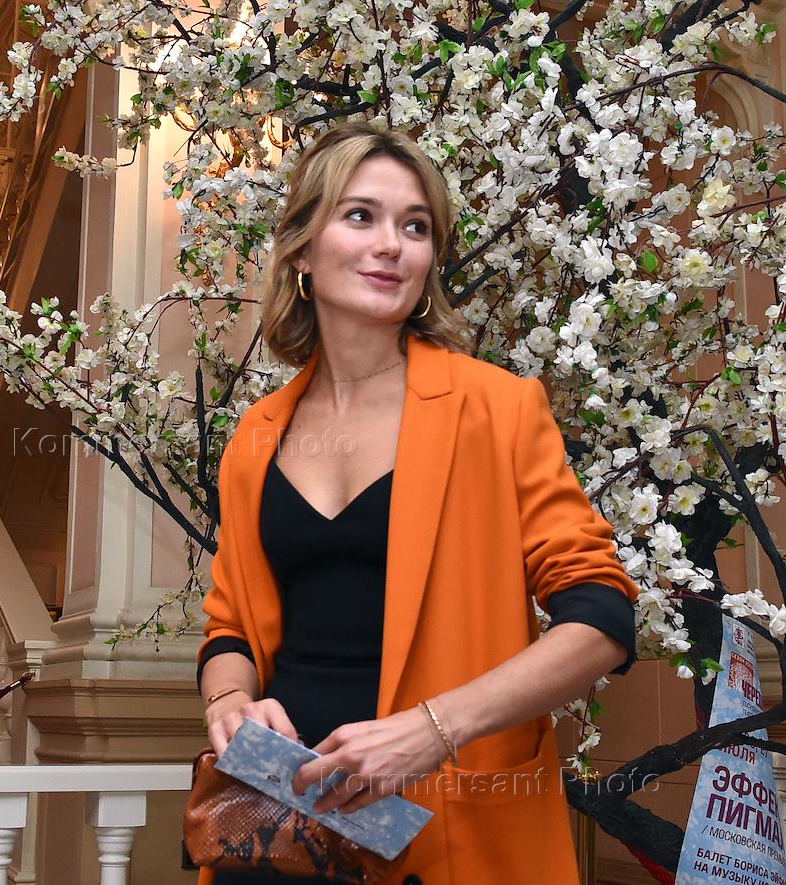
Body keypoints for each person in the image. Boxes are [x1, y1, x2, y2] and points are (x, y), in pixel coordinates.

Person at [195, 122, 639, 885]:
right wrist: (231, 699)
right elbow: (230, 623)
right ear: (302, 250)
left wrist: (435, 728)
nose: (391, 244)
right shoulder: (256, 436)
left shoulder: (497, 409)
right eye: (360, 215)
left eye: (415, 226)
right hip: (277, 825)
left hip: (442, 827)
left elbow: (602, 615)